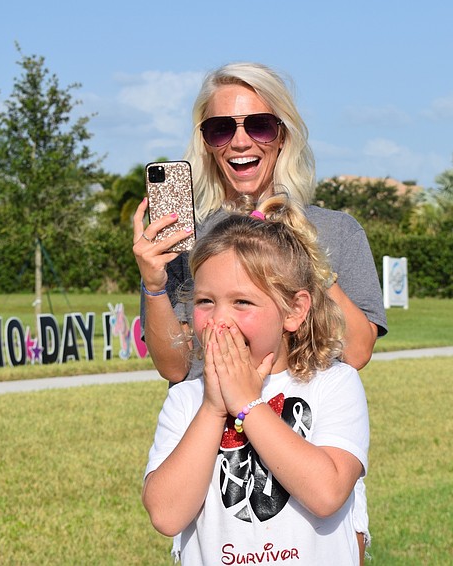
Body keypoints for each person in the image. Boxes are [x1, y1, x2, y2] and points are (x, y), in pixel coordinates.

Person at [132, 62, 387, 561]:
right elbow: (174, 366)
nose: (240, 141)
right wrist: (154, 283)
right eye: (221, 128)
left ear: (283, 134)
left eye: (259, 125)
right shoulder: (187, 238)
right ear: (206, 142)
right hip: (212, 437)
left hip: (305, 434)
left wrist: (300, 249)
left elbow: (356, 350)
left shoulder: (335, 230)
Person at [142, 195, 369, 565]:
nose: (219, 320)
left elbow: (327, 494)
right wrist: (215, 409)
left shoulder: (334, 384)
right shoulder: (187, 400)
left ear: (294, 310)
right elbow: (166, 515)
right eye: (205, 302)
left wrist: (249, 406)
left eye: (242, 303)